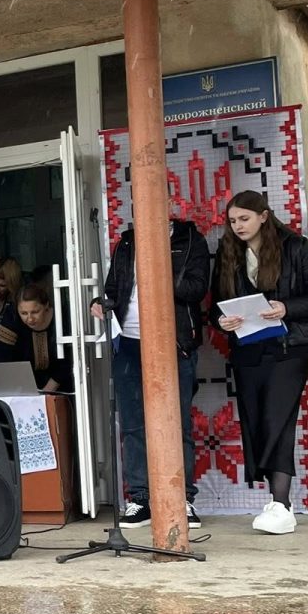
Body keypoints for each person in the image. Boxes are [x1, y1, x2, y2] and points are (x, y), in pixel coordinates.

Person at [213, 190, 308, 536]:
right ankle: (276, 501)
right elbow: (215, 305)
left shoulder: (295, 246)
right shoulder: (228, 252)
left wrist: (286, 308)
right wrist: (222, 322)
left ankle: (282, 504)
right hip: (248, 349)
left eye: (244, 219)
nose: (238, 226)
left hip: (288, 348)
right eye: (233, 221)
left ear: (264, 216)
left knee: (278, 420)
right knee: (256, 422)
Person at [92, 218, 212, 530]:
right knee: (133, 425)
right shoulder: (127, 241)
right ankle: (141, 498)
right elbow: (113, 290)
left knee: (178, 423)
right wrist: (100, 303)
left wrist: (159, 268)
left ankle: (182, 499)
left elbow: (197, 289)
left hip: (174, 340)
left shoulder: (189, 240)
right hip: (129, 341)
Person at [0, 282, 74, 392]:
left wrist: (47, 391)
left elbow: (69, 360)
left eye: (35, 312)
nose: (30, 319)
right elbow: (2, 356)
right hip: (21, 383)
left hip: (61, 383)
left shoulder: (63, 318)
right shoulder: (12, 317)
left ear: (46, 305)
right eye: (24, 313)